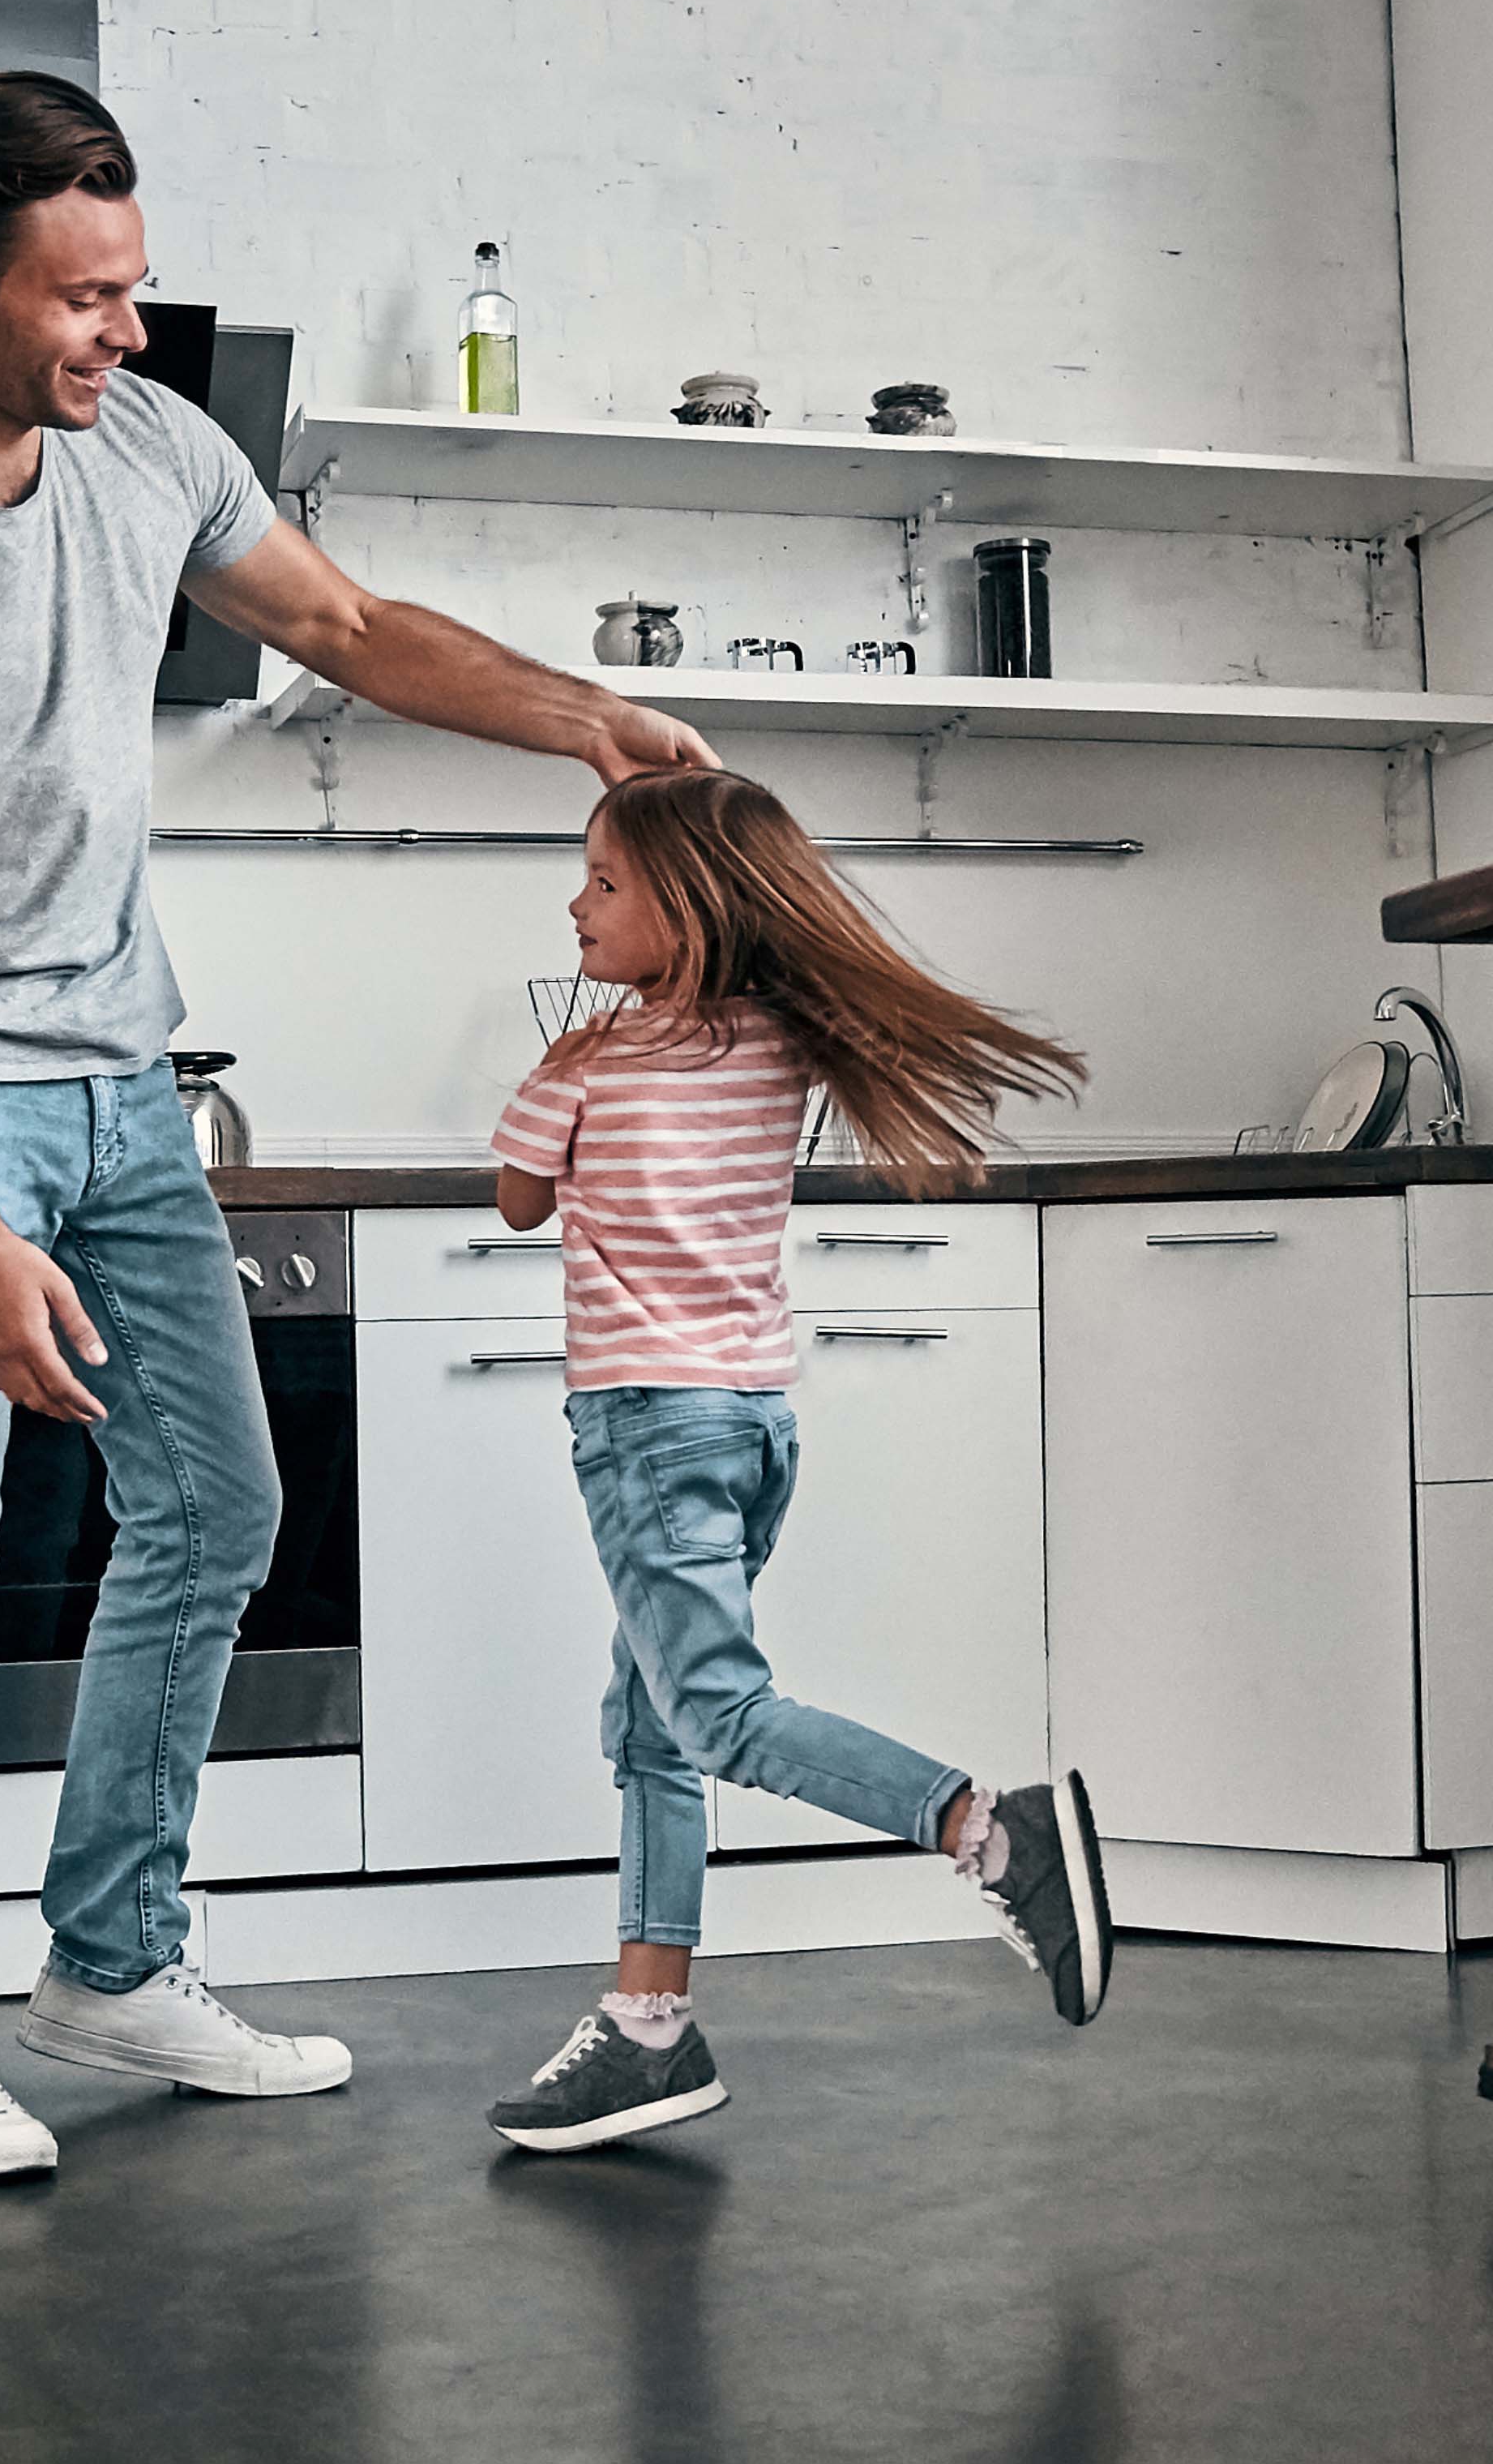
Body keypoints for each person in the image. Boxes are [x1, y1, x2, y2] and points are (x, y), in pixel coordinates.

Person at [0, 71, 716, 2183]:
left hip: (127, 1093)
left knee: (218, 1507)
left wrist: (591, 720)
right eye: (84, 301)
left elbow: (347, 631)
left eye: (137, 294)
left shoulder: (157, 447)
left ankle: (109, 1962)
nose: (123, 335)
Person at [478, 767, 1115, 2155]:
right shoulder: (782, 1043)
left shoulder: (590, 1061)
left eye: (602, 882)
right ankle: (650, 2031)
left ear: (686, 907)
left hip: (645, 1424)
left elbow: (520, 1200)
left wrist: (558, 1071)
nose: (575, 904)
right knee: (649, 1722)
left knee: (713, 1715)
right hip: (756, 1422)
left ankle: (984, 1828)